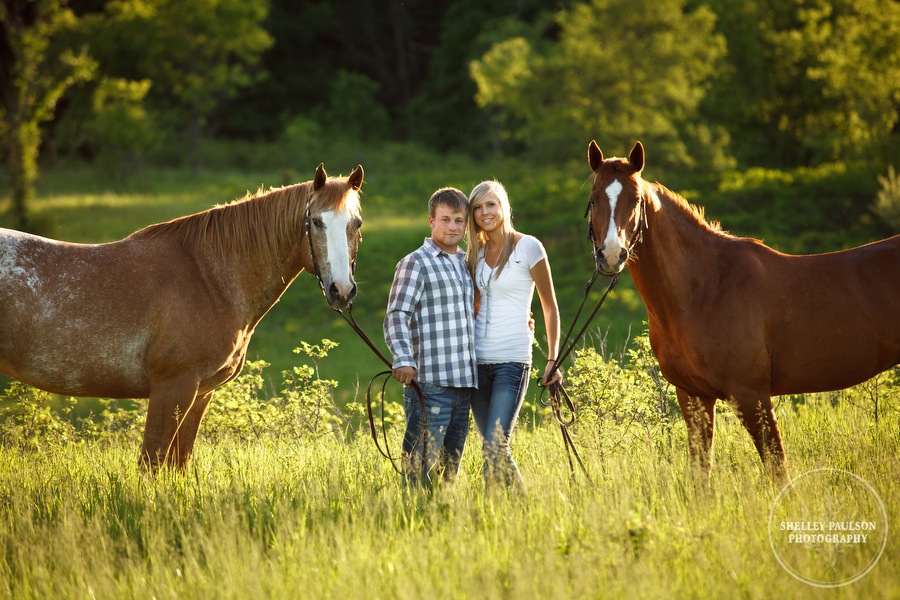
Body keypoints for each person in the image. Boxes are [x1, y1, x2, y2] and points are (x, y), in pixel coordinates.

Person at [465, 180, 562, 488]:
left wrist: (553, 358)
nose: (484, 212)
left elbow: (549, 307)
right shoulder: (474, 254)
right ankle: (506, 513)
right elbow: (476, 303)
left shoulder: (529, 247)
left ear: (504, 206)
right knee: (492, 448)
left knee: (495, 445)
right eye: (478, 207)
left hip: (512, 360)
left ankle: (517, 508)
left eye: (490, 204)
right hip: (477, 363)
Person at [384, 187, 478, 488]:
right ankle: (410, 522)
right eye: (446, 219)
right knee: (417, 467)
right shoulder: (416, 262)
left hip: (464, 384)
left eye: (459, 221)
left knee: (449, 471)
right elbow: (397, 314)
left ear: (466, 225)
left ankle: (441, 522)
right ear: (431, 221)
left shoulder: (466, 264)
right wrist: (402, 358)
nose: (452, 227)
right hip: (431, 383)